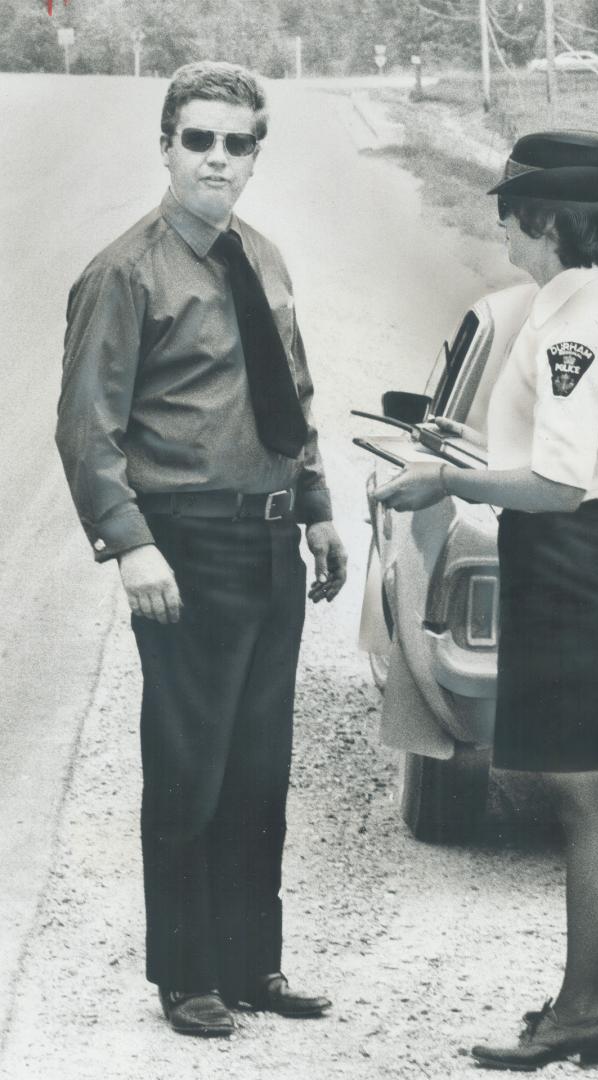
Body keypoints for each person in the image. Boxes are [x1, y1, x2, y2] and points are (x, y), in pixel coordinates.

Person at [55, 61, 347, 1038]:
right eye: (200, 139)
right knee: (190, 764)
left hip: (268, 542)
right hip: (185, 544)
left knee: (261, 765)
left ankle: (250, 965)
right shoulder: (124, 273)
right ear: (168, 145)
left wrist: (316, 508)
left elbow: (291, 399)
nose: (218, 158)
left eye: (238, 142)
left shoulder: (261, 257)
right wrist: (130, 545)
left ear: (257, 153)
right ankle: (186, 974)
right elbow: (87, 431)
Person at [374, 131, 598, 1071]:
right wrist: (469, 460)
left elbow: (559, 482)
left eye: (510, 212)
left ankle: (579, 1012)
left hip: (565, 560)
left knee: (584, 799)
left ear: (543, 222)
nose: (501, 228)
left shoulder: (569, 327)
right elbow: (552, 465)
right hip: (587, 560)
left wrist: (446, 485)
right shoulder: (574, 306)